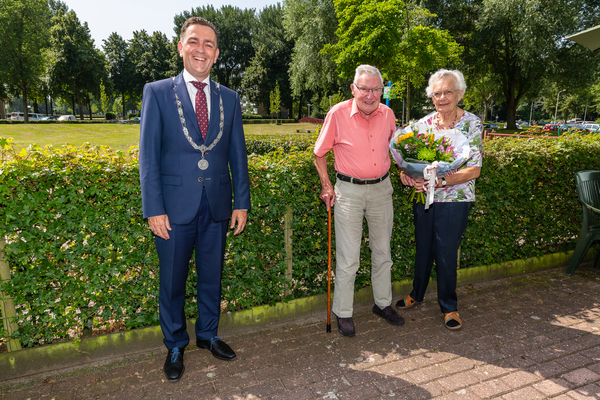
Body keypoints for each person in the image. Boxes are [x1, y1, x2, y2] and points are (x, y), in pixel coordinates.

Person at [139, 16, 251, 382]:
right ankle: (175, 344)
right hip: (173, 209)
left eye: (208, 44)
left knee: (211, 277)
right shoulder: (156, 92)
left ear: (216, 54)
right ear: (180, 47)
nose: (200, 49)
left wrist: (241, 202)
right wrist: (153, 208)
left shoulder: (230, 98)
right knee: (172, 281)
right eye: (193, 42)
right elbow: (148, 157)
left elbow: (238, 154)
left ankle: (208, 335)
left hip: (217, 205)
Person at [314, 64, 404, 337]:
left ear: (381, 90)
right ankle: (343, 312)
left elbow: (397, 150)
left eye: (376, 89)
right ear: (353, 89)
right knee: (348, 258)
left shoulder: (388, 114)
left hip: (382, 190)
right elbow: (319, 154)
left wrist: (407, 172)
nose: (370, 94)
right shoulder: (337, 113)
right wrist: (326, 185)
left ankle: (383, 304)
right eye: (364, 88)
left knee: (383, 253)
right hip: (349, 193)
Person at [396, 69, 482, 331]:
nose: (442, 97)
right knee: (423, 246)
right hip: (424, 197)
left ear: (460, 94)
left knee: (445, 252)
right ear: (431, 96)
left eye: (448, 91)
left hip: (455, 199)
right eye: (437, 93)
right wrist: (406, 176)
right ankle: (417, 293)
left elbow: (474, 168)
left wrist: (441, 182)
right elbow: (408, 161)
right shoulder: (424, 124)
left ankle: (449, 306)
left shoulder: (472, 124)